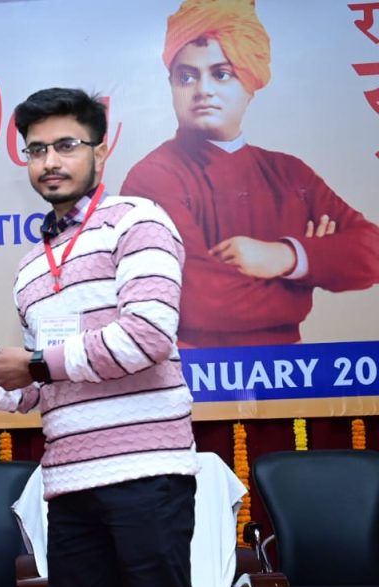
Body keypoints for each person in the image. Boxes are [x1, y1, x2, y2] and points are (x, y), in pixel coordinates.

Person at [0, 88, 209, 587]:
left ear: (100, 152)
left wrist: (35, 365)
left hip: (145, 473)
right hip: (68, 484)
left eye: (65, 145)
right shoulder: (31, 267)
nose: (50, 161)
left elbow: (147, 337)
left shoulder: (138, 221)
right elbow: (41, 392)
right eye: (36, 150)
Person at [121, 0, 379, 347]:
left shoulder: (290, 173)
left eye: (221, 74)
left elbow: (372, 250)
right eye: (187, 77)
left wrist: (284, 256)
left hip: (290, 372)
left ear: (250, 81)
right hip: (198, 372)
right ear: (172, 85)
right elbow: (197, 303)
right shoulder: (153, 177)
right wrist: (308, 278)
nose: (203, 90)